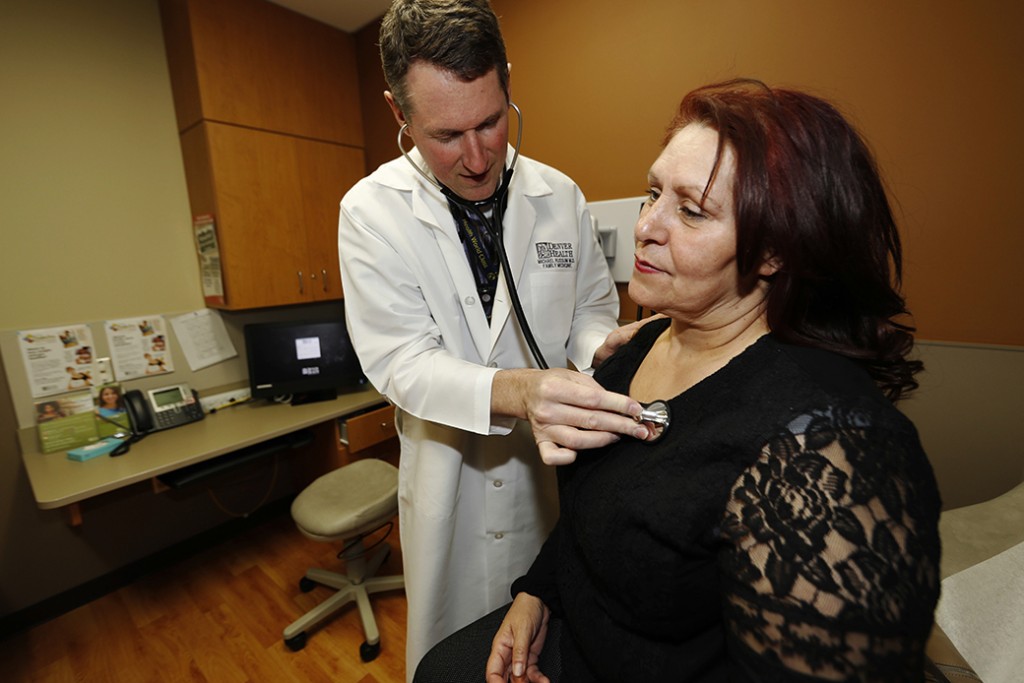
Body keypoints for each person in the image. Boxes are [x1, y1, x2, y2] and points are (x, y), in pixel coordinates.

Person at [418, 78, 942, 682]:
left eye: (691, 211)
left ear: (775, 251)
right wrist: (538, 592)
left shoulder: (829, 451)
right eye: (653, 193)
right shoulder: (638, 345)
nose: (646, 226)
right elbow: (599, 510)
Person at [337, 0, 650, 676]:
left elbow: (590, 308)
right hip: (451, 478)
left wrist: (602, 348)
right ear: (399, 114)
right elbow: (402, 362)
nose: (478, 157)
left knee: (540, 642)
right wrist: (521, 390)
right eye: (447, 134)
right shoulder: (371, 214)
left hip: (546, 479)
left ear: (507, 82)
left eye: (490, 121)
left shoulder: (558, 195)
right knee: (453, 657)